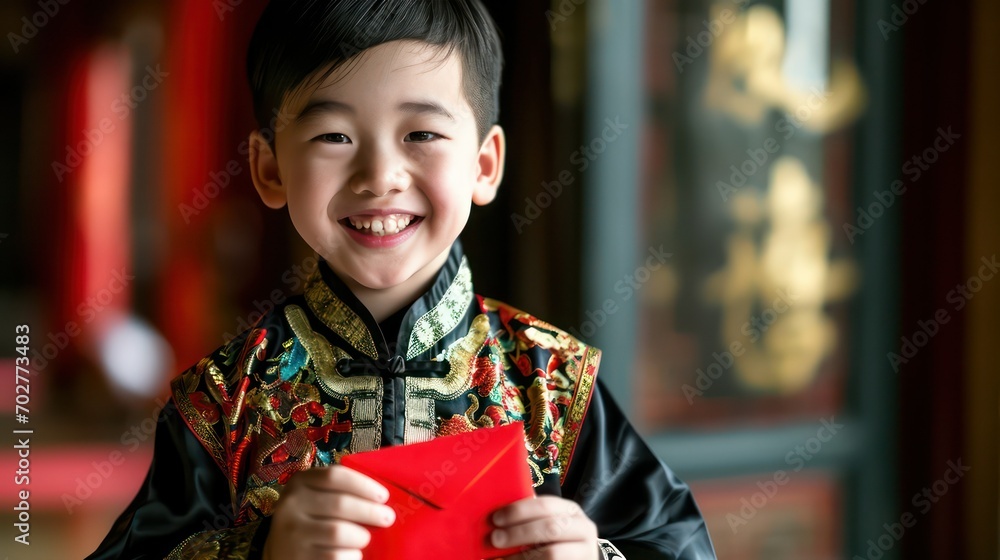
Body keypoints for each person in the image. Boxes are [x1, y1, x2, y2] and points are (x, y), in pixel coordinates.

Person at [88, 1, 716, 558]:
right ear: (270, 168)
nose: (380, 174)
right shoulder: (225, 399)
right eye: (334, 135)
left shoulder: (550, 381)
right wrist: (263, 550)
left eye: (421, 133)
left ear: (484, 164)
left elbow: (675, 543)